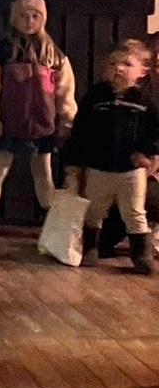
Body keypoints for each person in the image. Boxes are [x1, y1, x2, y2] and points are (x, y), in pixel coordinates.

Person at [0, 0, 76, 237]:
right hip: (9, 124)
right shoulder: (0, 52)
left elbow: (65, 91)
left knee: (43, 174)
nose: (29, 21)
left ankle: (52, 226)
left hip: (43, 125)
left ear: (43, 19)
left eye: (35, 16)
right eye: (23, 16)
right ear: (13, 19)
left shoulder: (54, 55)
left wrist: (65, 121)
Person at [62, 44, 159, 273]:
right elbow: (81, 131)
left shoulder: (145, 101)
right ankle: (90, 249)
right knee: (94, 211)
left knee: (134, 212)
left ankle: (141, 254)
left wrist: (145, 151)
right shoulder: (95, 97)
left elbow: (155, 130)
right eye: (113, 63)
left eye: (127, 64)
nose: (119, 69)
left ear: (142, 71)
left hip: (131, 170)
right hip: (98, 167)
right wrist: (73, 163)